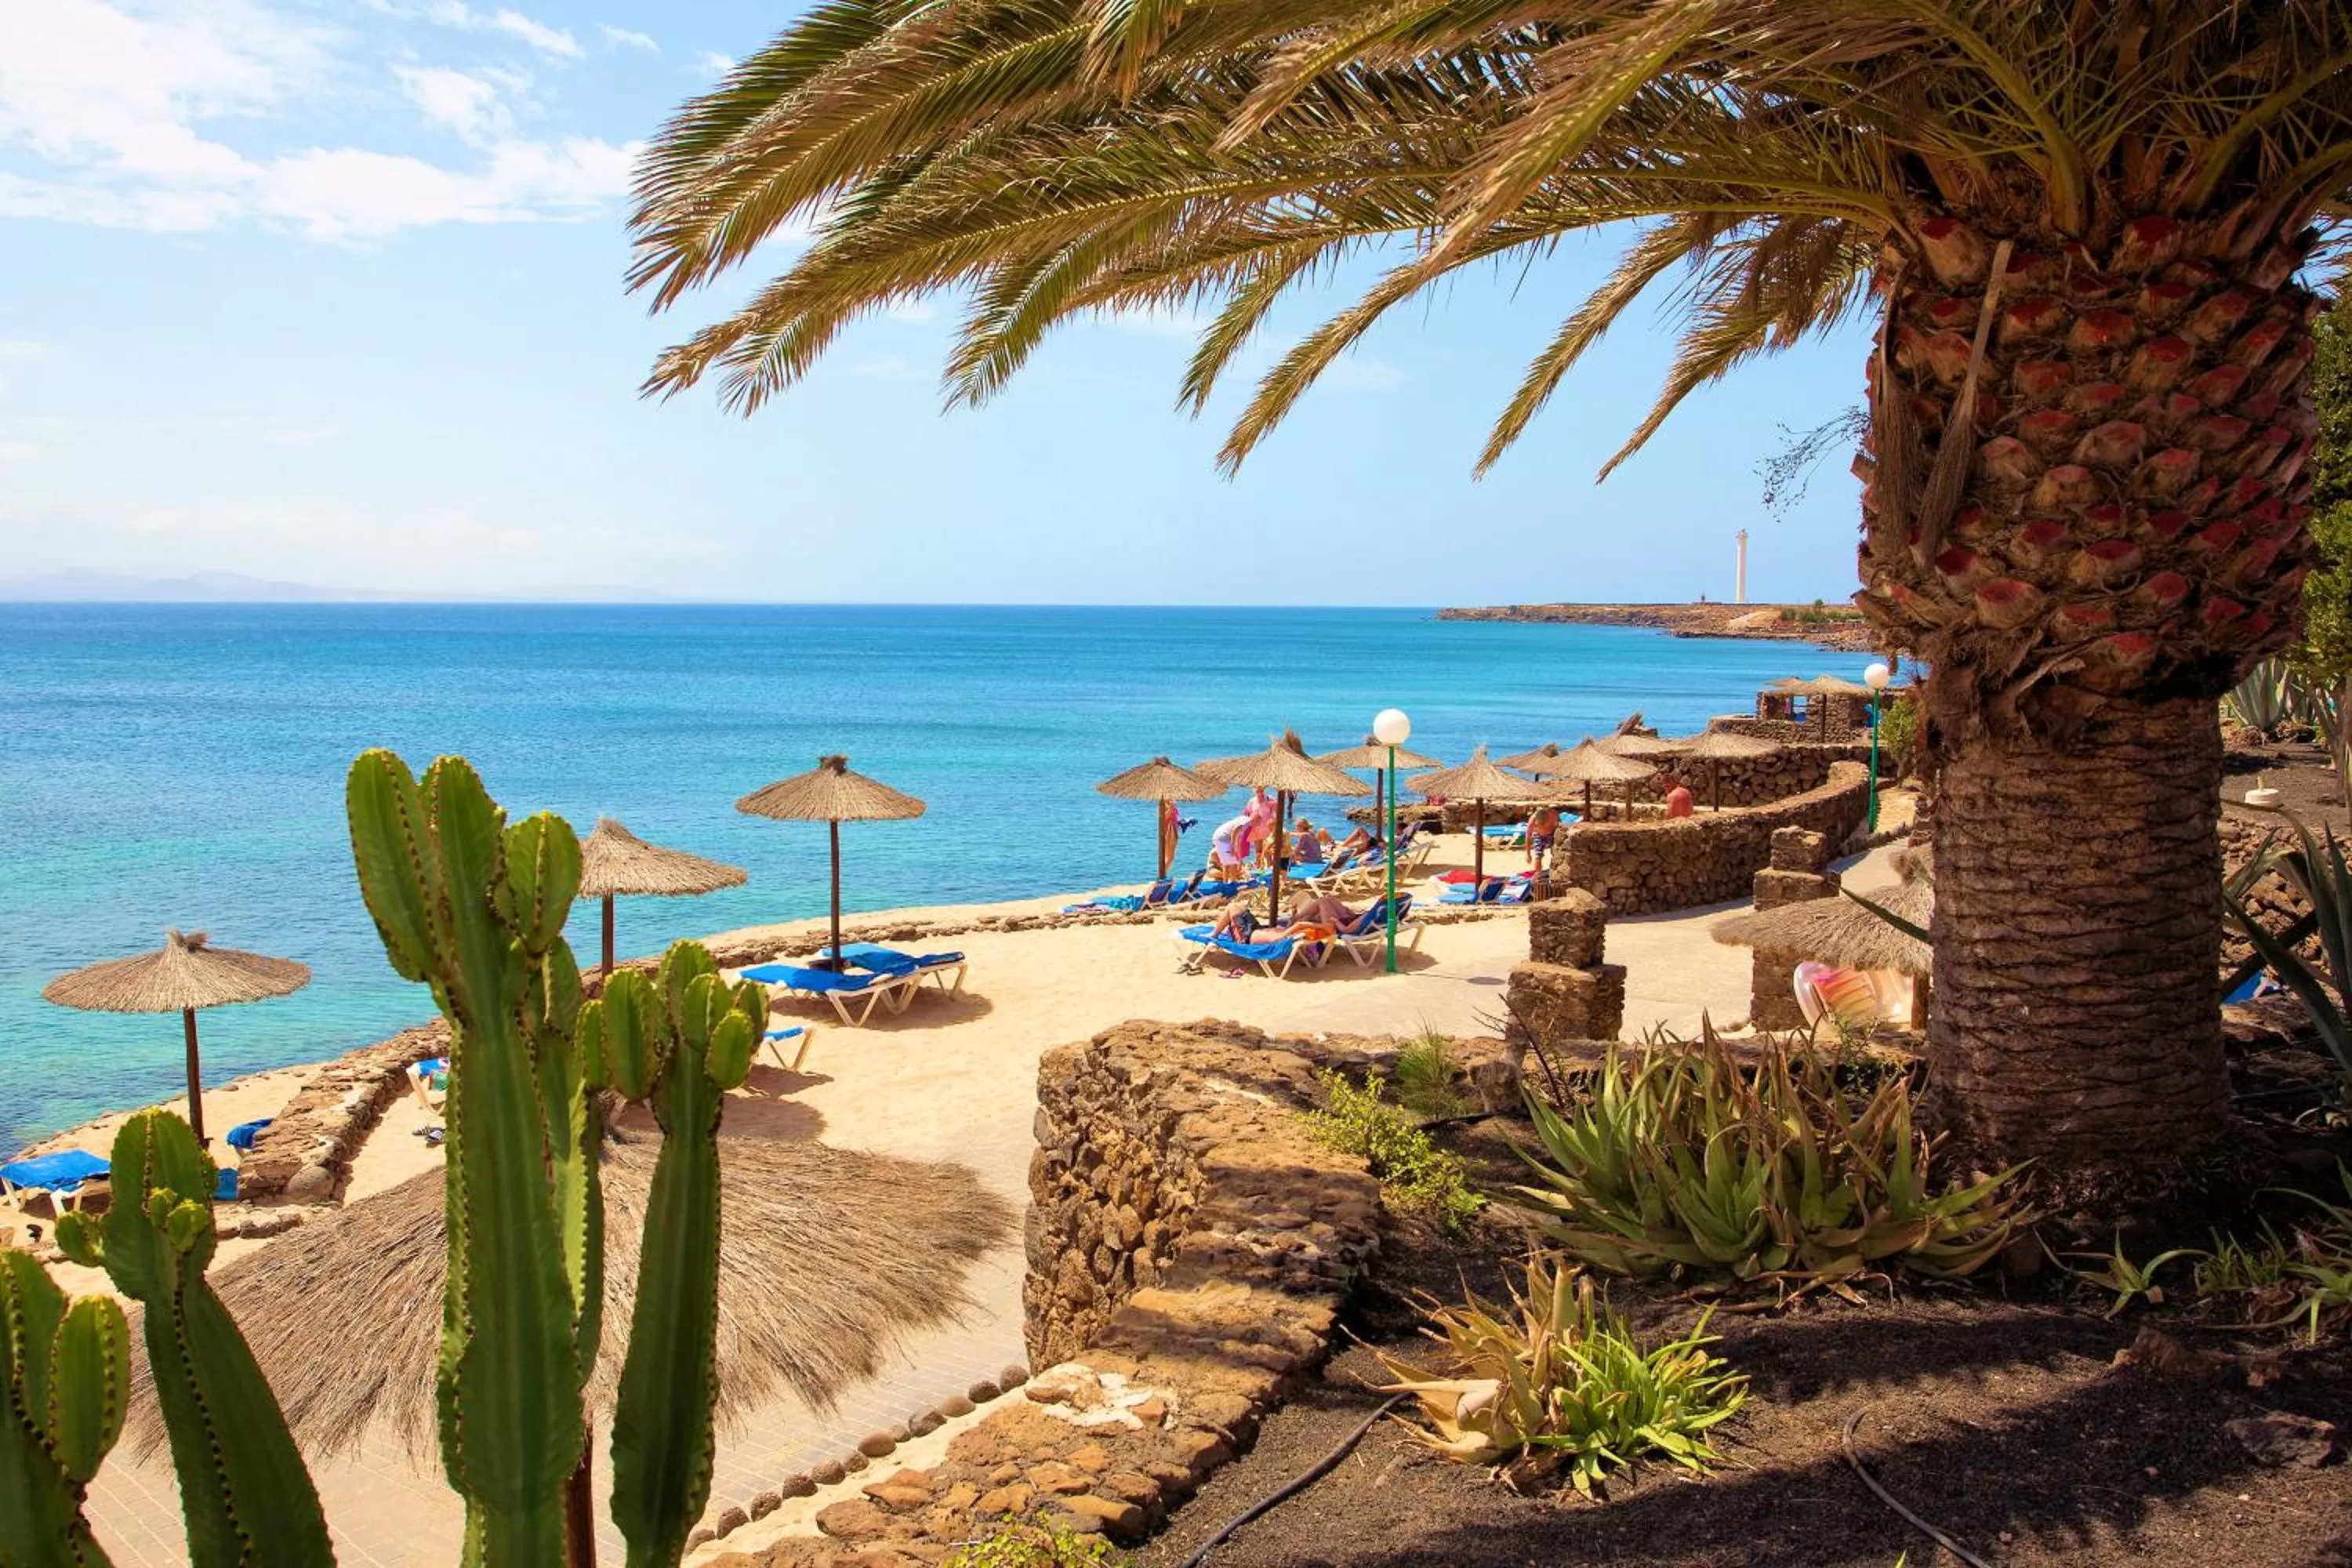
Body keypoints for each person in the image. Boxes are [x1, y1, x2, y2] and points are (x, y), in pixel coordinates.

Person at [1526, 803, 1561, 868]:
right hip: (1539, 836)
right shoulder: (1532, 821)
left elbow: (1560, 828)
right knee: (1538, 856)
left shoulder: (1554, 815)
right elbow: (1528, 837)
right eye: (1539, 825)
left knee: (1557, 853)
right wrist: (1528, 854)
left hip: (1552, 834)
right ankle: (1538, 873)